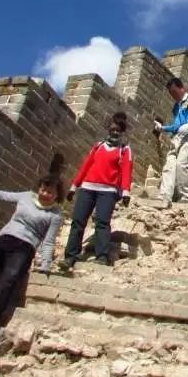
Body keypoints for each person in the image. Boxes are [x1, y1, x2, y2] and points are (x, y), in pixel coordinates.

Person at [0, 173, 63, 343]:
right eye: (44, 189)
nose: (45, 194)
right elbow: (2, 195)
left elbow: (48, 241)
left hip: (24, 248)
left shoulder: (55, 215)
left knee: (9, 279)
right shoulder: (26, 197)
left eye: (50, 192)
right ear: (39, 188)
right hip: (4, 239)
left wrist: (46, 263)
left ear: (57, 195)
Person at [61, 112, 133, 269]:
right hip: (87, 188)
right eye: (112, 129)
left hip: (108, 191)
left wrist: (126, 192)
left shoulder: (124, 150)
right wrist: (74, 186)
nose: (115, 132)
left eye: (118, 130)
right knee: (78, 222)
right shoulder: (98, 146)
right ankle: (71, 256)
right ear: (108, 129)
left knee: (102, 223)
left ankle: (102, 256)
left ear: (122, 131)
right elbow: (86, 166)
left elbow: (127, 170)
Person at [154, 78, 188, 207]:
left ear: (181, 88)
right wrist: (163, 128)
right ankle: (164, 195)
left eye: (174, 92)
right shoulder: (177, 107)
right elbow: (176, 127)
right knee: (169, 167)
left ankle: (186, 196)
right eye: (171, 93)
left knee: (181, 165)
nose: (173, 95)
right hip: (177, 139)